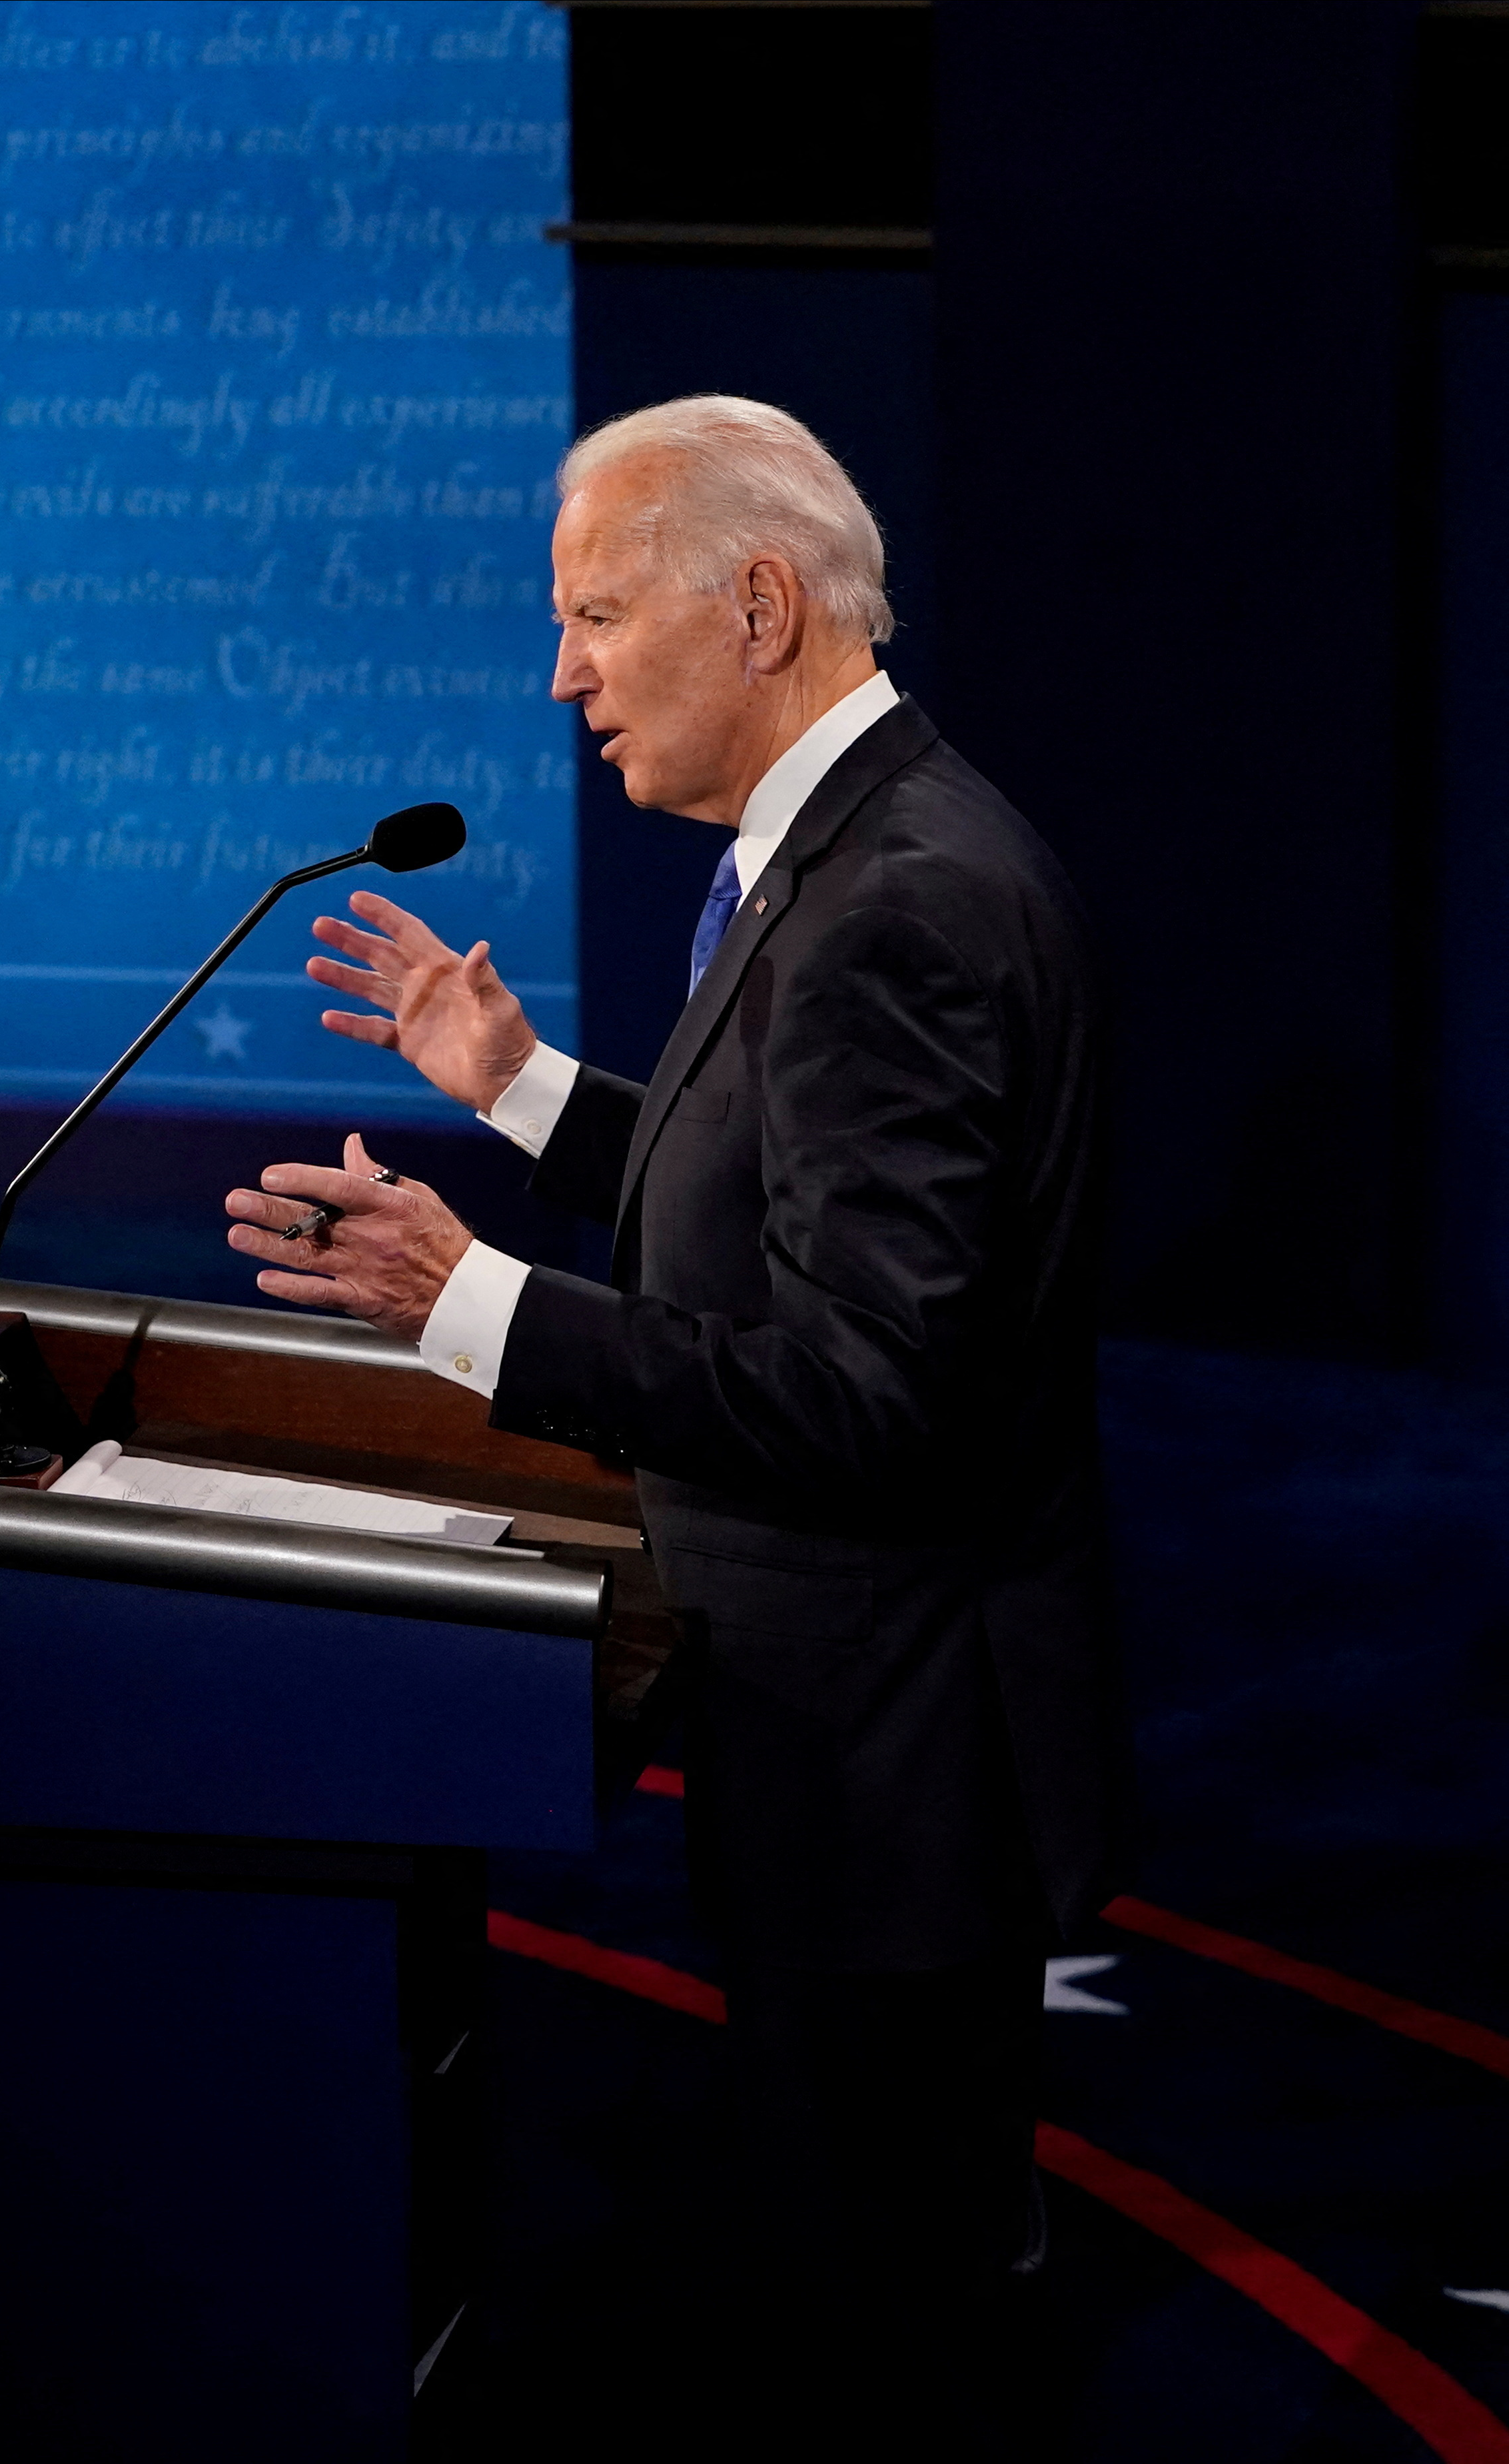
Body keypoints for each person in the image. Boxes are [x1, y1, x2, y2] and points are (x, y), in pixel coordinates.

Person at [224, 396, 1129, 2448]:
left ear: (755, 602)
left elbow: (867, 1388)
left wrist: (466, 1304)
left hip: (887, 1754)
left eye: (593, 615)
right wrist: (531, 1092)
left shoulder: (892, 903)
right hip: (874, 1731)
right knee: (883, 2255)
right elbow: (794, 1201)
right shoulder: (864, 840)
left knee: (890, 2310)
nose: (562, 677)